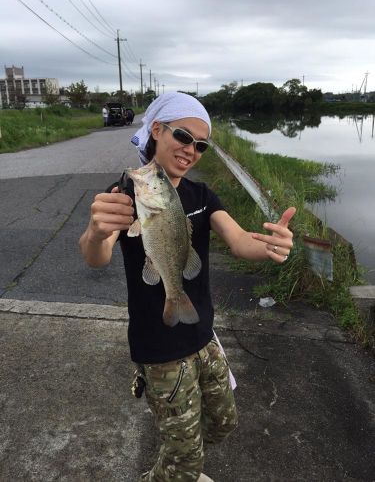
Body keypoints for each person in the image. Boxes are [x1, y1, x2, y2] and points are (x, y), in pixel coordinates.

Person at [79, 92, 295, 482]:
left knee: (224, 422)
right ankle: (176, 469)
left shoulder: (201, 195)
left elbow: (240, 239)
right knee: (186, 463)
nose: (191, 150)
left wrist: (269, 246)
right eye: (183, 136)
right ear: (157, 130)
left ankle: (178, 462)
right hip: (160, 350)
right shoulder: (127, 194)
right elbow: (97, 255)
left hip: (203, 336)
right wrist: (96, 231)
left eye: (200, 145)